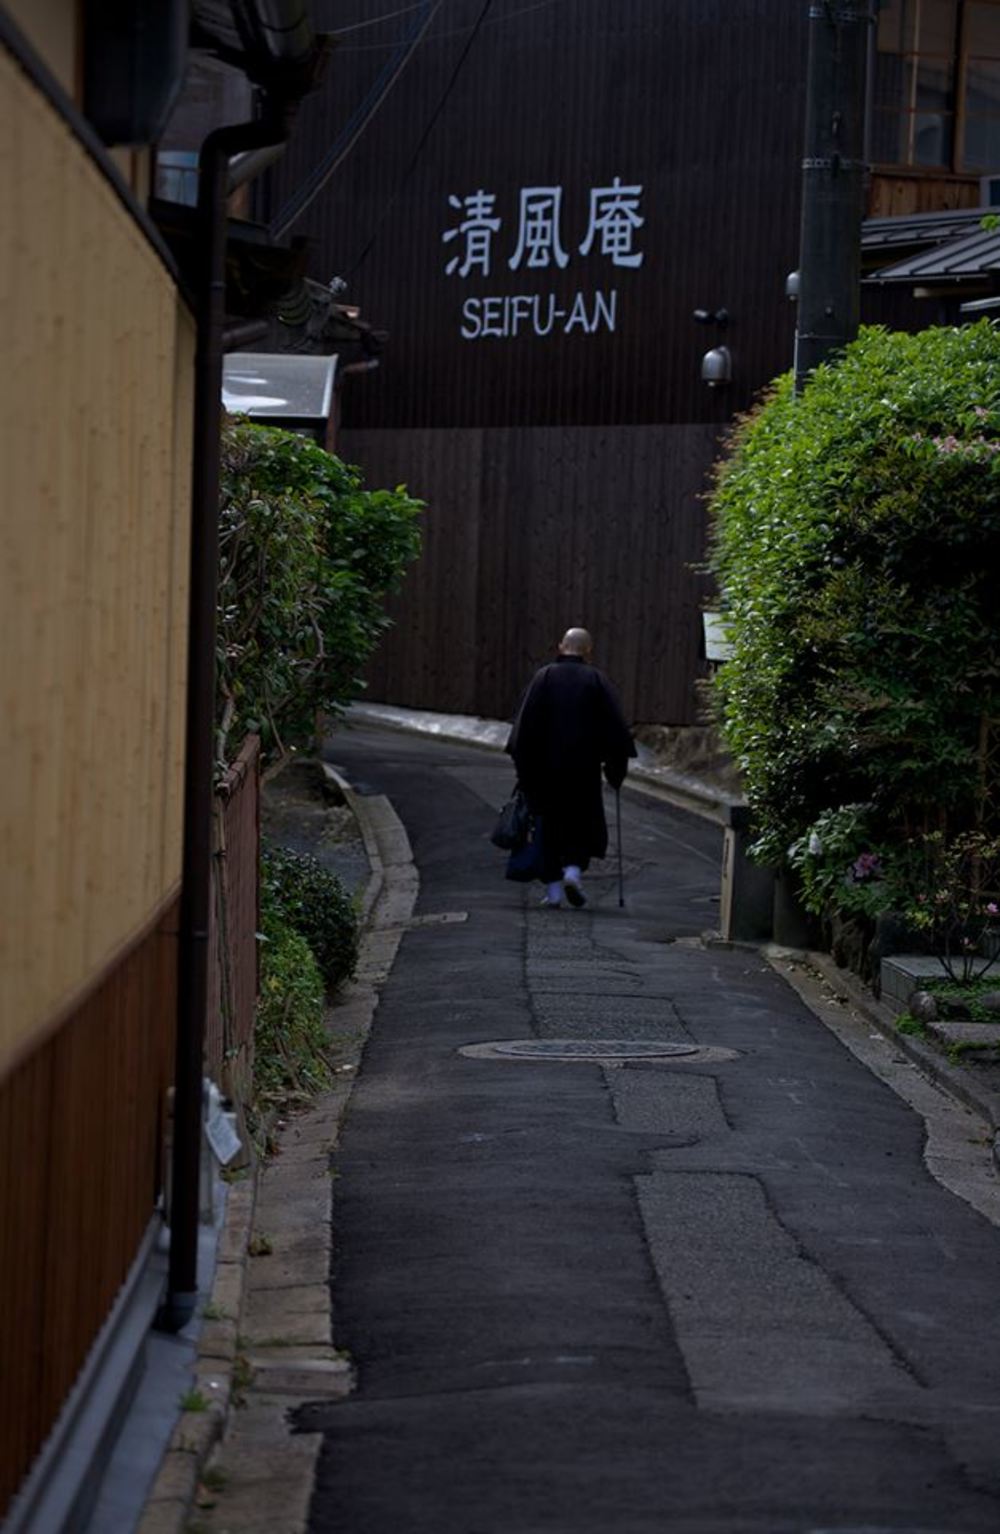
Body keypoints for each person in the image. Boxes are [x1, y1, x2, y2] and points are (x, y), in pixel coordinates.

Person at [506, 627, 636, 907]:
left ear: (560, 646)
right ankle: (574, 872)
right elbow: (615, 731)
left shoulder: (544, 677)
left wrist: (525, 772)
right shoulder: (596, 680)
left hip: (545, 771)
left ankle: (552, 893)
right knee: (581, 822)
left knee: (547, 826)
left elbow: (523, 731)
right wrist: (615, 770)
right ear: (589, 651)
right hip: (583, 770)